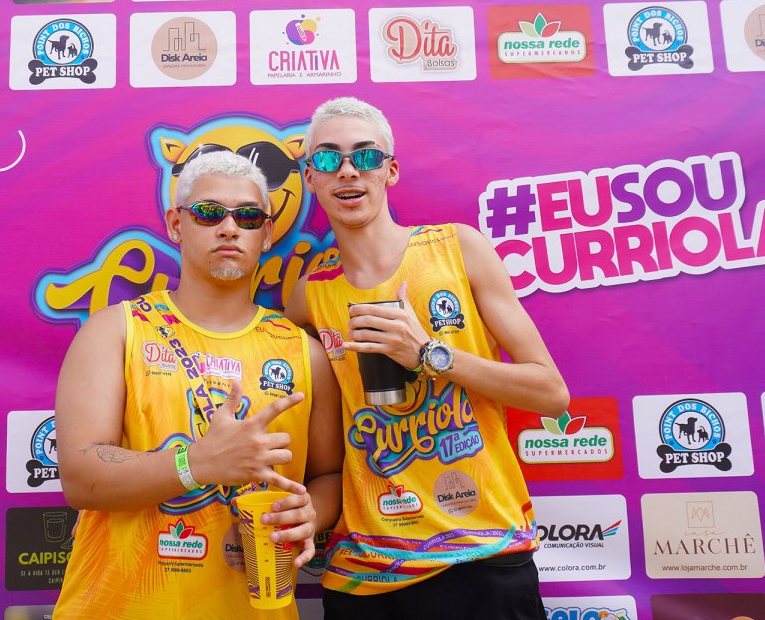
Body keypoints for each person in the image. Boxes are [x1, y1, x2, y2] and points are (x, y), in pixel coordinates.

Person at [285, 97, 569, 619]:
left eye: (365, 156)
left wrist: (428, 354)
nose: (347, 170)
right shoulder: (309, 295)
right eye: (327, 158)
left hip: (483, 556)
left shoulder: (458, 249)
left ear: (390, 171)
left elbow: (551, 394)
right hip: (368, 573)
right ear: (311, 178)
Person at [54, 150, 342, 619]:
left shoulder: (304, 353)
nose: (229, 228)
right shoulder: (116, 330)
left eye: (248, 217)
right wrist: (199, 463)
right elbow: (81, 477)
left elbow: (329, 476)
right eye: (209, 213)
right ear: (176, 224)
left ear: (267, 233)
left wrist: (312, 514)